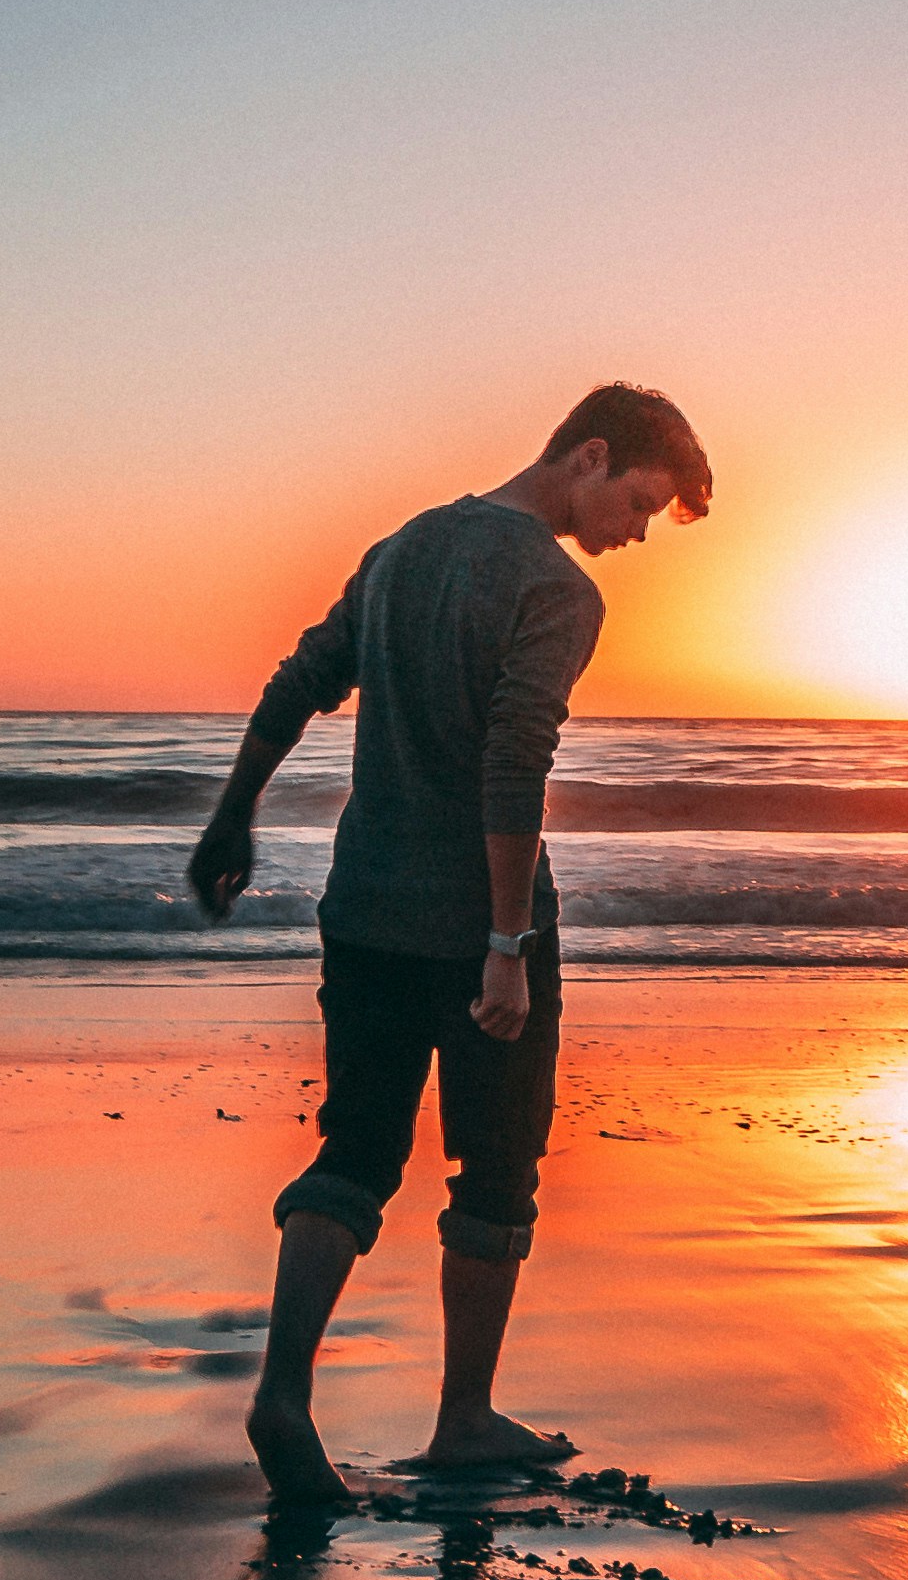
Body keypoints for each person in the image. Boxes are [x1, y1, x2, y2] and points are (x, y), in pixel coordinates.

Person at [188, 383, 713, 1506]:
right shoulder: (552, 585)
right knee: (496, 1168)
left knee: (354, 1153)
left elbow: (300, 681)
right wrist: (507, 942)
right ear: (588, 453)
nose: (630, 535)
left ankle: (284, 1391)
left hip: (365, 907)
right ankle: (462, 1416)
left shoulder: (403, 546)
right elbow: (512, 766)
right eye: (636, 502)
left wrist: (232, 810)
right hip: (477, 927)